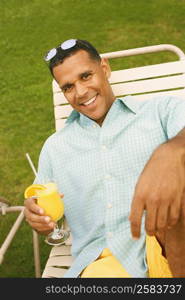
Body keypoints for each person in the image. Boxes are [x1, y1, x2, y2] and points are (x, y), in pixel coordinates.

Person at [24, 39, 185, 278]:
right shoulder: (55, 148)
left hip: (169, 245)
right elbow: (42, 203)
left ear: (105, 68)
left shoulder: (160, 111)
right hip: (104, 266)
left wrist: (173, 149)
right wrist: (36, 216)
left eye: (86, 76)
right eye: (68, 87)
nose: (80, 92)